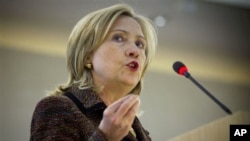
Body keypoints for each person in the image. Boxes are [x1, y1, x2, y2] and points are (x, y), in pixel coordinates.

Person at [30, 3, 157, 141]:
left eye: (140, 44)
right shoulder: (57, 108)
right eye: (118, 38)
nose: (135, 51)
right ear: (87, 55)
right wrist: (106, 137)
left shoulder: (136, 129)